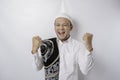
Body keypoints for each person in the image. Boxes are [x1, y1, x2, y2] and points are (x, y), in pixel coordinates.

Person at [31, 13, 94, 80]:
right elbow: (37, 68)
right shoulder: (47, 44)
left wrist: (89, 47)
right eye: (58, 25)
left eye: (65, 25)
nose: (61, 28)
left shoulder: (78, 46)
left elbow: (85, 70)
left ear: (71, 27)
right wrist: (34, 50)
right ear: (54, 27)